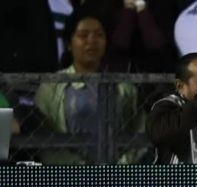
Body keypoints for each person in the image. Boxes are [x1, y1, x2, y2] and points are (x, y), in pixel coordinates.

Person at [35, 11, 141, 164]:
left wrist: (123, 165)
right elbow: (43, 137)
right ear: (69, 44)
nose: (92, 41)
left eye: (99, 35)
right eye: (83, 35)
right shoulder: (52, 85)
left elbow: (139, 130)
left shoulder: (123, 86)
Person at [107, 0, 181, 72]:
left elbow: (156, 44)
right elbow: (119, 42)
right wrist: (128, 9)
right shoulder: (111, 5)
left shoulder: (164, 5)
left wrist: (142, 11)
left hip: (156, 70)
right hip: (117, 71)